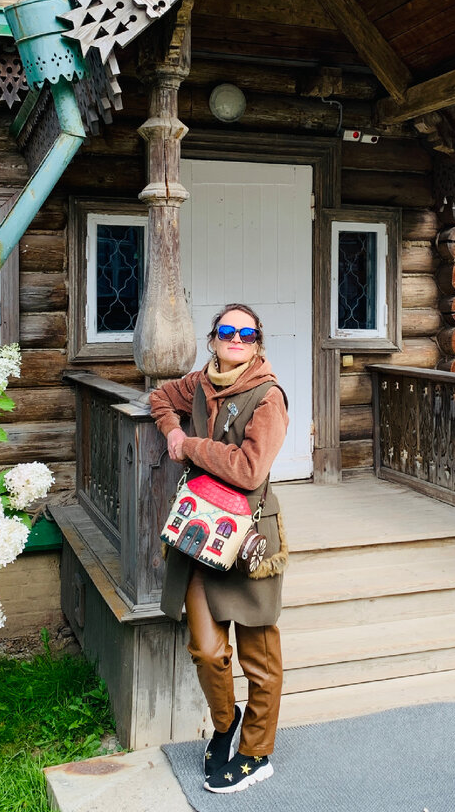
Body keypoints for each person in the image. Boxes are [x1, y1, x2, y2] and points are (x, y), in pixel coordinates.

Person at [150, 302, 289, 794]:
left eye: (246, 334)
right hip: (200, 533)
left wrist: (189, 447)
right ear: (212, 340)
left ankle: (256, 753)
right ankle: (225, 723)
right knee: (208, 651)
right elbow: (160, 397)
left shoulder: (269, 396)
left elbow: (251, 470)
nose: (236, 339)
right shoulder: (201, 382)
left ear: (256, 344)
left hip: (248, 537)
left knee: (258, 655)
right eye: (227, 331)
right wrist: (171, 429)